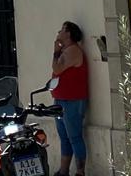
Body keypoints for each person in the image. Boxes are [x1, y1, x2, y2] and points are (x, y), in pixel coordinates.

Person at [51, 21, 88, 176]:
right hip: (61, 99)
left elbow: (57, 68)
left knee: (74, 136)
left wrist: (55, 51)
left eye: (62, 29)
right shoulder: (66, 51)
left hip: (72, 100)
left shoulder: (72, 51)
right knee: (64, 137)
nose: (58, 31)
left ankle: (80, 172)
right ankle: (63, 170)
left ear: (68, 34)